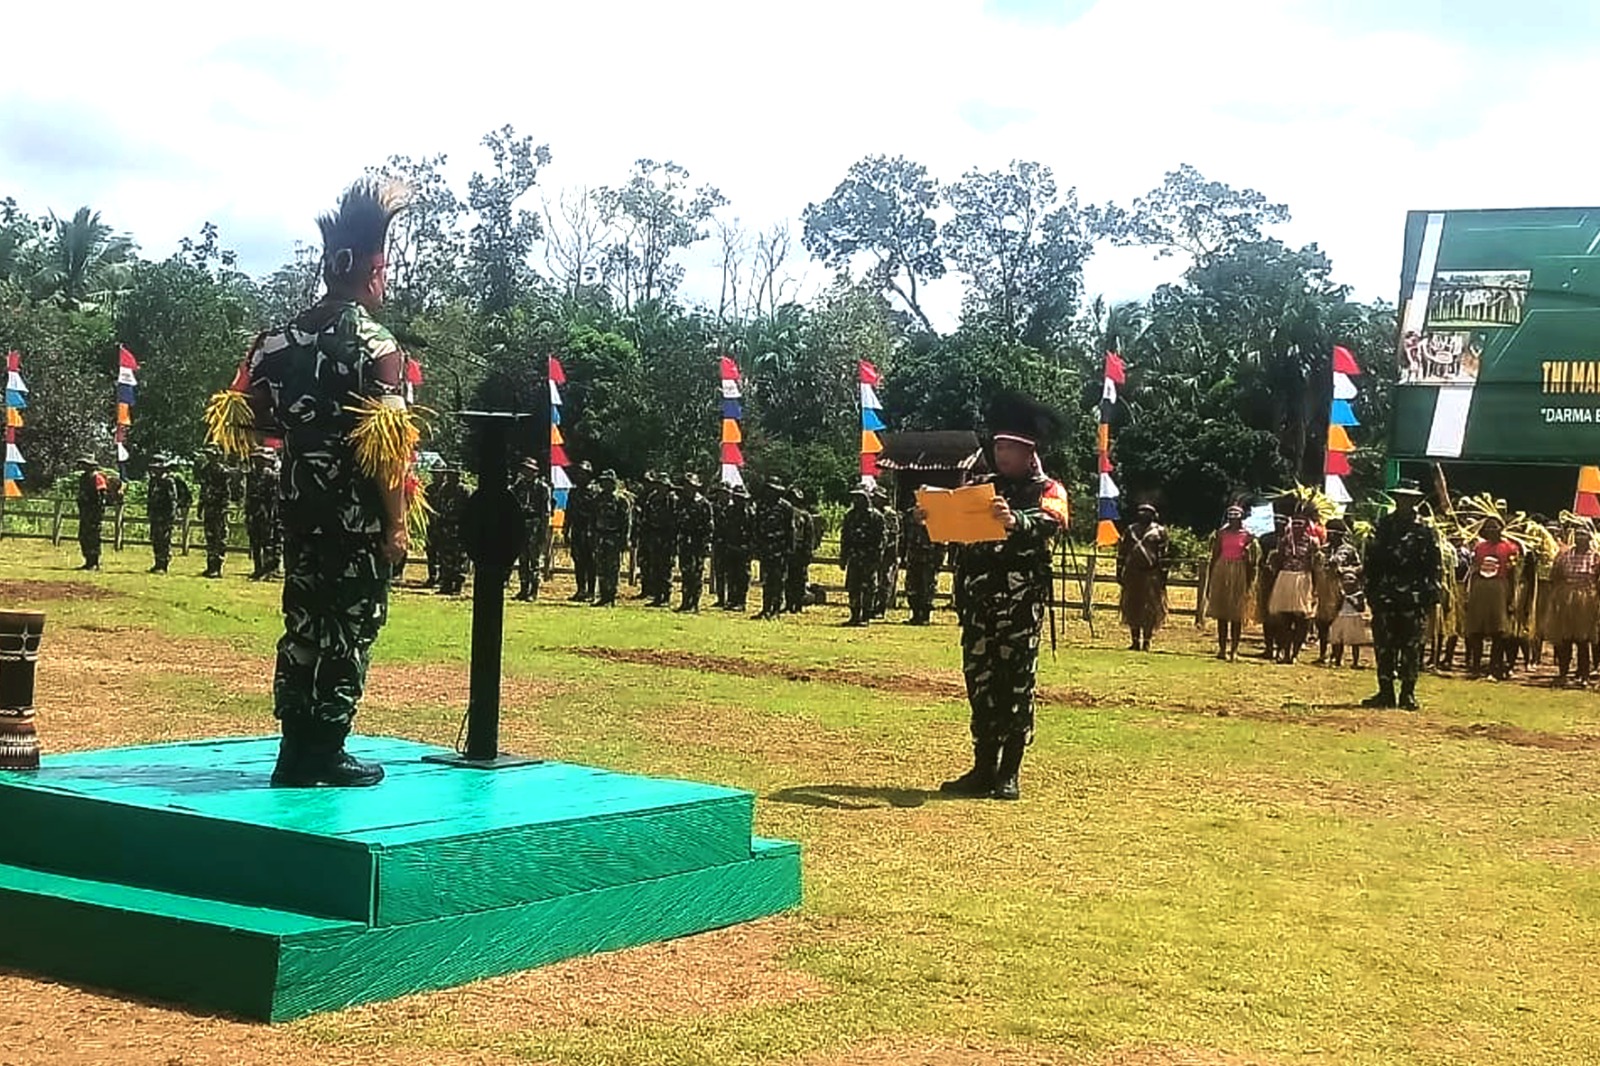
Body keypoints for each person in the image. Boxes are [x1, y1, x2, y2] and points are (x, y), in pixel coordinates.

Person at [242, 178, 413, 787]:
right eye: (385, 269)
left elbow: (241, 412)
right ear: (370, 269)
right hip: (356, 517)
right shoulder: (377, 346)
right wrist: (395, 522)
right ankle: (328, 746)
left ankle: (295, 748)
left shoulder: (276, 340)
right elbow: (386, 448)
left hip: (298, 508)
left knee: (304, 620)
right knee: (352, 624)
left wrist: (298, 434)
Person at [942, 392, 1070, 802]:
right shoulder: (980, 487)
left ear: (1028, 450)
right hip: (978, 605)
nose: (999, 454)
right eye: (996, 446)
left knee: (1016, 686)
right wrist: (932, 517)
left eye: (1007, 447)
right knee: (980, 684)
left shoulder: (1048, 489)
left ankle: (1009, 771)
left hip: (1019, 607)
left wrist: (1017, 520)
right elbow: (955, 525)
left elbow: (1053, 520)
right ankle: (983, 768)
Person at [1363, 482, 1440, 710]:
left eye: (1409, 498)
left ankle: (1408, 693)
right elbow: (1372, 561)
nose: (1405, 502)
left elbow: (1433, 564)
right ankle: (1385, 692)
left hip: (1414, 596)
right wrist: (1371, 591)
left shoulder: (1425, 529)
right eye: (1401, 498)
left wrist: (1431, 593)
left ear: (1416, 501)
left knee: (1411, 646)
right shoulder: (1384, 525)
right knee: (1384, 646)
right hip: (1385, 594)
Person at [1464, 514, 1520, 679]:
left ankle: (1495, 667)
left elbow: (1513, 575)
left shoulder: (1510, 548)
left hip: (1499, 588)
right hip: (1480, 589)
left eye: (1494, 526)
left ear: (1501, 528)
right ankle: (1475, 665)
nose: (1491, 530)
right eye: (1488, 527)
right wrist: (1469, 594)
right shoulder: (1479, 548)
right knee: (1476, 630)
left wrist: (1511, 597)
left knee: (1498, 631)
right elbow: (1473, 571)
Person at [1543, 524, 1599, 686]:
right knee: (1565, 638)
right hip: (1566, 599)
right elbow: (1555, 576)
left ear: (1590, 538)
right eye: (1578, 535)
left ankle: (1583, 674)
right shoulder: (1564, 555)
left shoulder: (1595, 557)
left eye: (1584, 536)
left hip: (1586, 600)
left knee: (1583, 640)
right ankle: (1563, 672)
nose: (1581, 539)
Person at [1267, 512, 1321, 663]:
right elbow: (1278, 561)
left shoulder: (1312, 542)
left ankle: (1295, 653)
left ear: (1306, 526)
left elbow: (1315, 565)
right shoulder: (1284, 541)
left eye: (1300, 524)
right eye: (1294, 523)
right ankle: (1283, 650)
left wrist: (1315, 587)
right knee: (1284, 618)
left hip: (1303, 579)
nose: (1297, 527)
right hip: (1285, 578)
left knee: (1302, 619)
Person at [1204, 505, 1255, 661]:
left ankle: (1234, 650)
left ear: (1241, 518)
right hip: (1222, 571)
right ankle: (1222, 649)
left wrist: (1249, 579)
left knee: (1236, 614)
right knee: (1222, 613)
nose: (1233, 520)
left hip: (1239, 572)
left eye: (1236, 517)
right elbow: (1215, 556)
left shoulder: (1248, 535)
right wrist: (1211, 578)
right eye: (1230, 517)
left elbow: (1252, 562)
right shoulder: (1221, 534)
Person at [1117, 503, 1169, 652]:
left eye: (1147, 513)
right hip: (1133, 575)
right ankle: (1134, 641)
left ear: (1154, 515)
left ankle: (1146, 641)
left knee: (1150, 609)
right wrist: (1118, 571)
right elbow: (1122, 552)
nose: (1143, 515)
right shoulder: (1130, 530)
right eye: (1141, 512)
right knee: (1132, 607)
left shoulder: (1159, 532)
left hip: (1151, 576)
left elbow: (1164, 557)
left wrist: (1163, 577)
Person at [1315, 518, 1360, 663]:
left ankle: (1337, 656)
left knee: (1337, 623)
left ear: (1339, 535)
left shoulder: (1349, 550)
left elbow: (1359, 567)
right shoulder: (1323, 550)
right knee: (1322, 622)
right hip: (1324, 588)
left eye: (1332, 534)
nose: (1329, 536)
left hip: (1341, 588)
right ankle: (1322, 654)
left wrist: (1345, 571)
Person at [840, 487, 884, 626]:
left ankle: (865, 616)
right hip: (854, 557)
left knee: (869, 588)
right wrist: (843, 557)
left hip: (869, 558)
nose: (856, 500)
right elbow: (845, 537)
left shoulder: (876, 516)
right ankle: (854, 615)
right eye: (855, 497)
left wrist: (877, 559)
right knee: (853, 587)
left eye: (859, 497)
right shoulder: (850, 516)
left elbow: (881, 540)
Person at [752, 480, 794, 620]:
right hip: (765, 549)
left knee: (778, 581)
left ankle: (775, 610)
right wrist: (757, 546)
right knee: (766, 581)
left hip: (780, 550)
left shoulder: (786, 507)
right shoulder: (761, 505)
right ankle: (765, 609)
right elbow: (756, 527)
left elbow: (790, 530)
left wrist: (789, 549)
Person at [195, 445, 238, 579]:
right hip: (209, 508)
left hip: (219, 509)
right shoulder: (205, 470)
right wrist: (200, 506)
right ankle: (210, 566)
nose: (208, 457)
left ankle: (217, 568)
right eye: (207, 454)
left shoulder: (223, 471)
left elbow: (227, 492)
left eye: (211, 454)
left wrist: (224, 507)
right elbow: (203, 490)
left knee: (219, 538)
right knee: (210, 537)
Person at [590, 470, 631, 606]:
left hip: (615, 537)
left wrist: (625, 539)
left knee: (613, 568)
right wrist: (593, 534)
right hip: (600, 535)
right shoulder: (598, 499)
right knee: (601, 568)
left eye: (608, 482)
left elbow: (626, 522)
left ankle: (611, 597)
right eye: (603, 482)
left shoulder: (621, 500)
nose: (605, 485)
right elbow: (593, 518)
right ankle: (602, 596)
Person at [513, 458, 552, 601]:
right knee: (522, 559)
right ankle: (523, 589)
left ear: (535, 472)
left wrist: (544, 530)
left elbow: (546, 511)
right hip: (521, 524)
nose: (527, 473)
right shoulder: (518, 486)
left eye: (530, 470)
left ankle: (533, 591)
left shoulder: (542, 488)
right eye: (525, 470)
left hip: (535, 524)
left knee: (534, 560)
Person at [674, 474, 713, 613]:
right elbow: (676, 522)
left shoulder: (703, 503)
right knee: (685, 573)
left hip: (698, 543)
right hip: (684, 542)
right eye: (685, 485)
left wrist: (705, 544)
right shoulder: (680, 502)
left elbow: (709, 527)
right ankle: (685, 602)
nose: (687, 488)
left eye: (690, 485)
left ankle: (694, 603)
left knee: (696, 574)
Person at [637, 472, 677, 607]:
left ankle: (665, 596)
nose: (660, 488)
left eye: (663, 485)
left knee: (665, 569)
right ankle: (656, 595)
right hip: (653, 538)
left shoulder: (672, 500)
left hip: (667, 539)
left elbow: (676, 521)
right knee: (654, 567)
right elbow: (646, 518)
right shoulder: (652, 498)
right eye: (658, 485)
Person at [430, 465, 470, 596]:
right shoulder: (444, 489)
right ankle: (446, 584)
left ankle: (457, 584)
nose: (450, 477)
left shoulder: (464, 490)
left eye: (453, 475)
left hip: (459, 528)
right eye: (449, 474)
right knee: (445, 556)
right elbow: (439, 506)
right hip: (445, 527)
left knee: (460, 558)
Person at [145, 455, 189, 574]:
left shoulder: (168, 481)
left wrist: (171, 516)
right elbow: (150, 498)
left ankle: (163, 565)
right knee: (155, 538)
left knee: (164, 539)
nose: (154, 470)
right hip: (155, 515)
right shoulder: (153, 481)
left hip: (165, 516)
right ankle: (157, 562)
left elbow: (172, 500)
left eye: (156, 468)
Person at [901, 502, 943, 626]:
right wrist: (902, 556)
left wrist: (938, 560)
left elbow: (941, 543)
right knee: (912, 586)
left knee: (927, 587)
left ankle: (925, 616)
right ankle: (915, 614)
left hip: (929, 559)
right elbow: (904, 537)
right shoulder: (910, 517)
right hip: (913, 558)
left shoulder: (937, 518)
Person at [245, 447, 282, 581]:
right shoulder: (250, 475)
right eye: (256, 459)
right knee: (255, 543)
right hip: (254, 512)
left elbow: (274, 497)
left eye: (260, 460)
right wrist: (248, 512)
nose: (257, 462)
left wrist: (271, 514)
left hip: (267, 513)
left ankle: (268, 570)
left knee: (268, 542)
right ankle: (257, 569)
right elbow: (248, 495)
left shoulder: (272, 476)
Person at [1255, 512, 1288, 659]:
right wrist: (1264, 566)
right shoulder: (1266, 539)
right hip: (1268, 580)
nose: (1278, 524)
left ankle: (1281, 647)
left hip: (1284, 580)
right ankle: (1269, 647)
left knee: (1282, 616)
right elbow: (1260, 560)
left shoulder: (1290, 541)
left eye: (1282, 521)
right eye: (1276, 521)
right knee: (1267, 614)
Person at [565, 461, 597, 602]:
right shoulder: (573, 492)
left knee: (591, 562)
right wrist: (566, 530)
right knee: (579, 562)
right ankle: (580, 590)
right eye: (578, 474)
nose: (580, 476)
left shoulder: (595, 492)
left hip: (591, 531)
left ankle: (591, 592)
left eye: (583, 474)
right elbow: (569, 512)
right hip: (577, 531)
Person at [1328, 568, 1371, 668]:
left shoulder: (1359, 594)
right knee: (1338, 641)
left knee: (1355, 642)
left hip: (1354, 617)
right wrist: (1340, 599)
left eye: (1350, 579)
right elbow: (1338, 607)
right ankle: (1337, 661)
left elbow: (1361, 608)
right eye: (1345, 579)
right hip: (1341, 617)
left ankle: (1355, 662)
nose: (1347, 582)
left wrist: (1350, 599)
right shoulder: (1342, 593)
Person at [721, 484, 754, 611]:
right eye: (736, 498)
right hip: (730, 547)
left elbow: (753, 532)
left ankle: (741, 601)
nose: (738, 501)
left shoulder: (749, 513)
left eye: (741, 498)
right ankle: (731, 599)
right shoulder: (729, 511)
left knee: (742, 576)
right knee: (731, 575)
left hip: (743, 549)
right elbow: (724, 529)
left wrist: (748, 548)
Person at [786, 486, 817, 614]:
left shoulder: (805, 516)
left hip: (800, 552)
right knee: (787, 579)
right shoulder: (786, 513)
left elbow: (809, 537)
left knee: (799, 579)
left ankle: (798, 604)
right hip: (788, 551)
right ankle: (788, 603)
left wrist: (808, 552)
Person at [74, 457, 108, 570]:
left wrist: (97, 510)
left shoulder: (97, 478)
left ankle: (94, 562)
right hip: (85, 512)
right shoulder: (83, 478)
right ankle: (88, 560)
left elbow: (102, 496)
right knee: (84, 536)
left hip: (94, 513)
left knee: (93, 537)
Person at [874, 488, 901, 618]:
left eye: (878, 497)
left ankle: (881, 608)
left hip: (887, 554)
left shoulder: (890, 514)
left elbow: (893, 534)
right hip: (874, 553)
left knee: (884, 580)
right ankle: (871, 606)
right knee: (872, 580)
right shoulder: (872, 513)